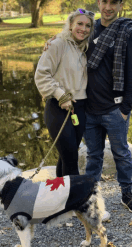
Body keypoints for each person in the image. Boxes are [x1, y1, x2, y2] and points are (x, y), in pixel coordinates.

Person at [84, 0, 132, 216]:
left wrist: (126, 108)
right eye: (104, 1)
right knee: (93, 156)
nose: (108, 7)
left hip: (114, 109)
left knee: (121, 153)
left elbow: (131, 73)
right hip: (89, 109)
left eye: (113, 2)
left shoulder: (127, 32)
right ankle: (91, 197)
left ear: (120, 5)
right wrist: (50, 44)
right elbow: (68, 45)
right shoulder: (89, 27)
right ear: (98, 2)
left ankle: (127, 194)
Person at [35, 9, 95, 177]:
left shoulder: (85, 47)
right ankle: (75, 201)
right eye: (79, 24)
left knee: (66, 157)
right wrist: (60, 94)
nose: (83, 28)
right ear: (70, 25)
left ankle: (60, 197)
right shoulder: (58, 44)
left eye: (88, 25)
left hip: (80, 108)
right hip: (58, 107)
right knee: (71, 160)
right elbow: (41, 74)